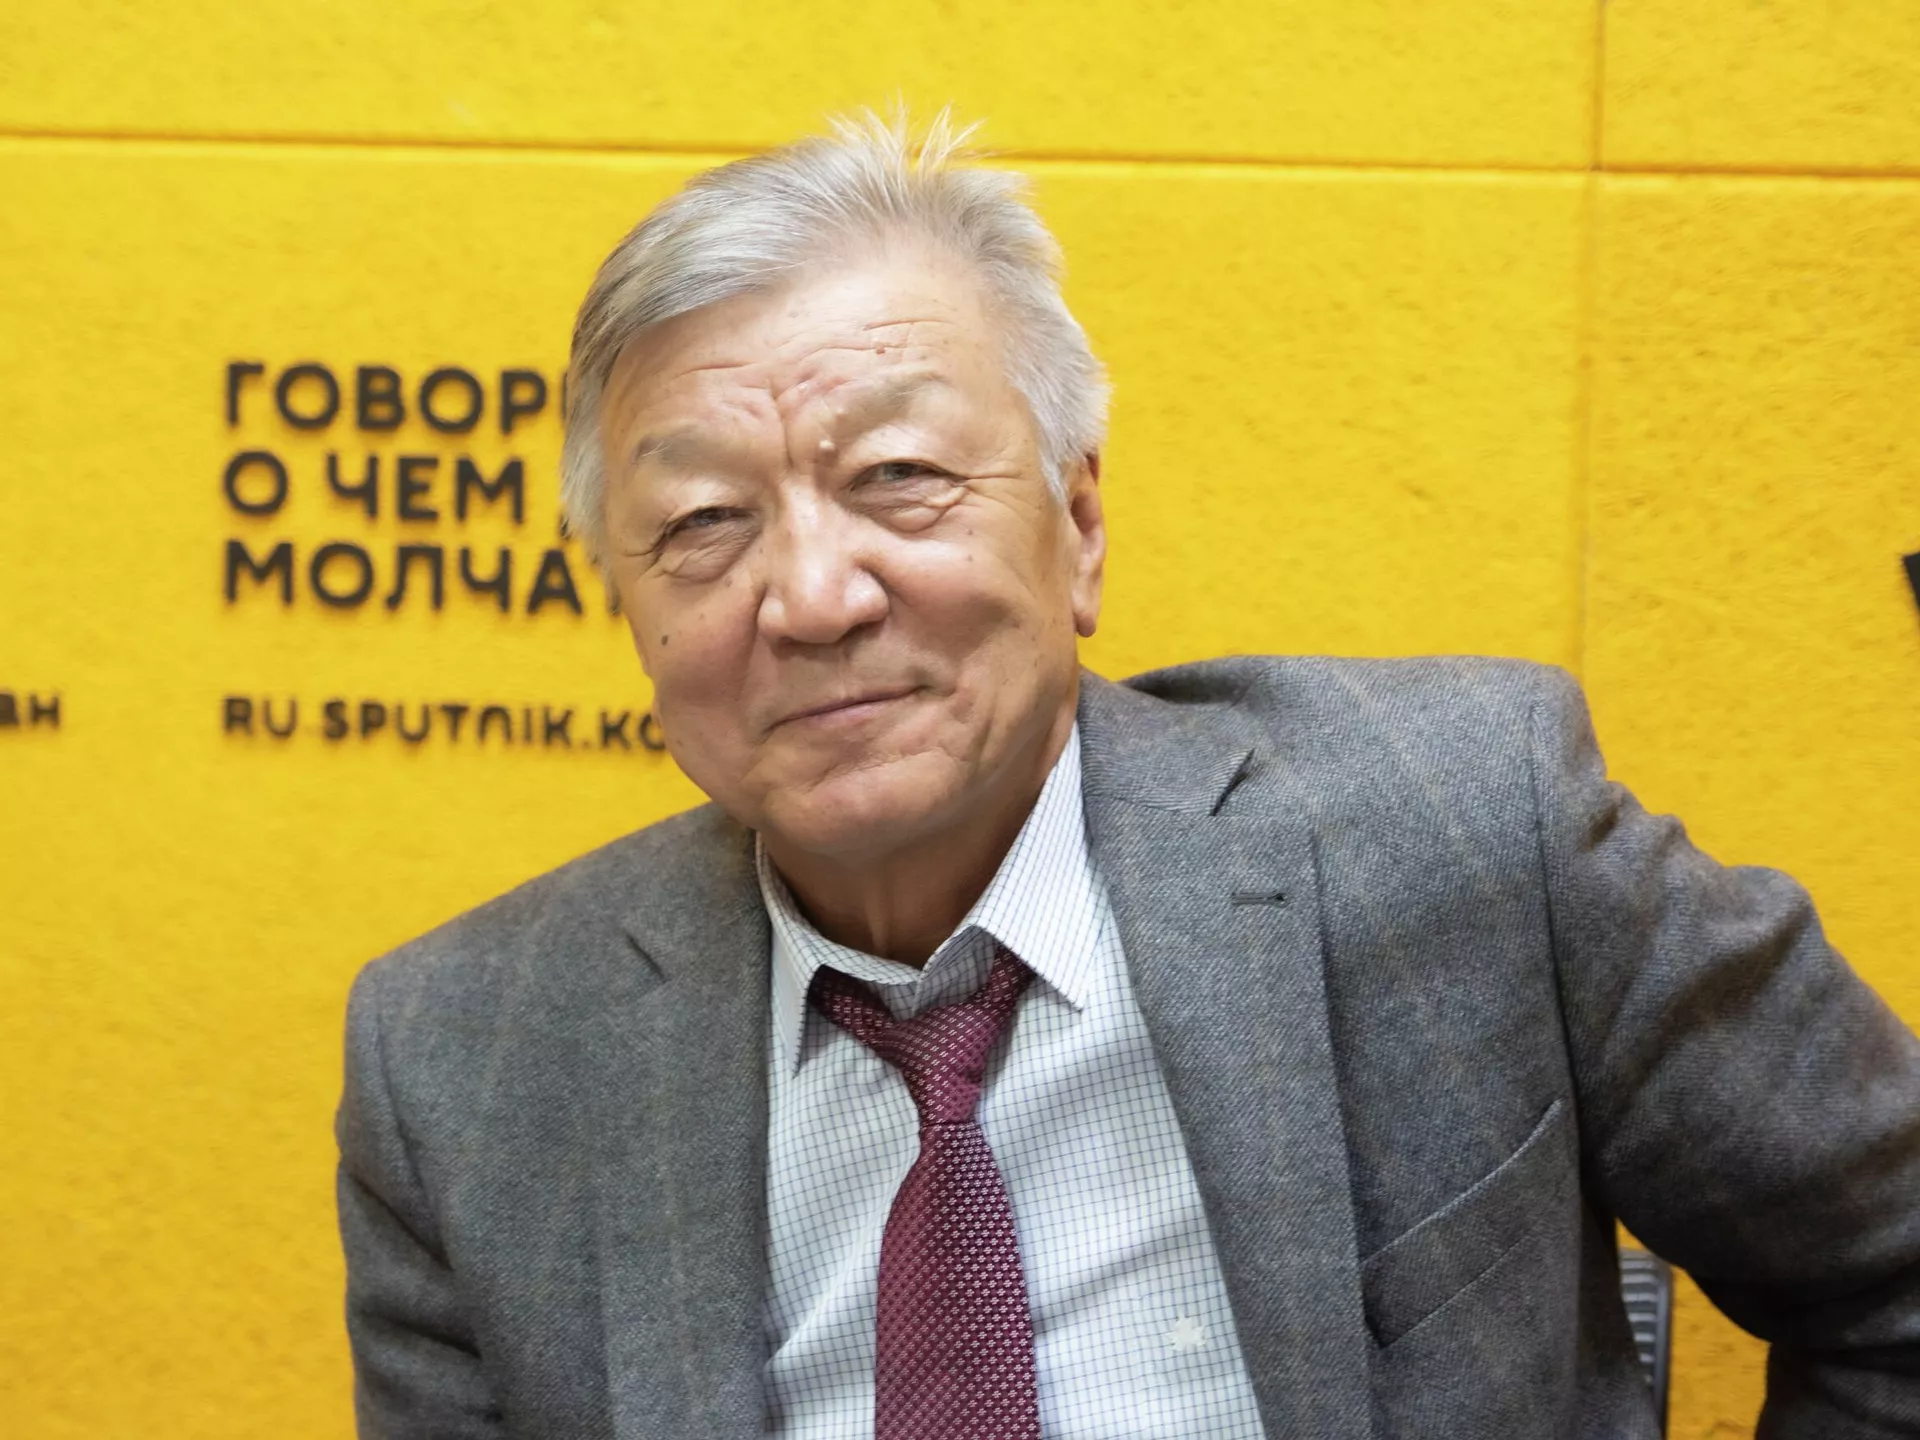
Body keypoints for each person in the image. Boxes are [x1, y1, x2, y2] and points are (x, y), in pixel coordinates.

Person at [334, 112, 1920, 1439]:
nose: (811, 598)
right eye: (702, 525)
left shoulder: (1463, 826)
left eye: (898, 477)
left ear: (1079, 525)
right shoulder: (463, 1069)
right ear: (628, 608)